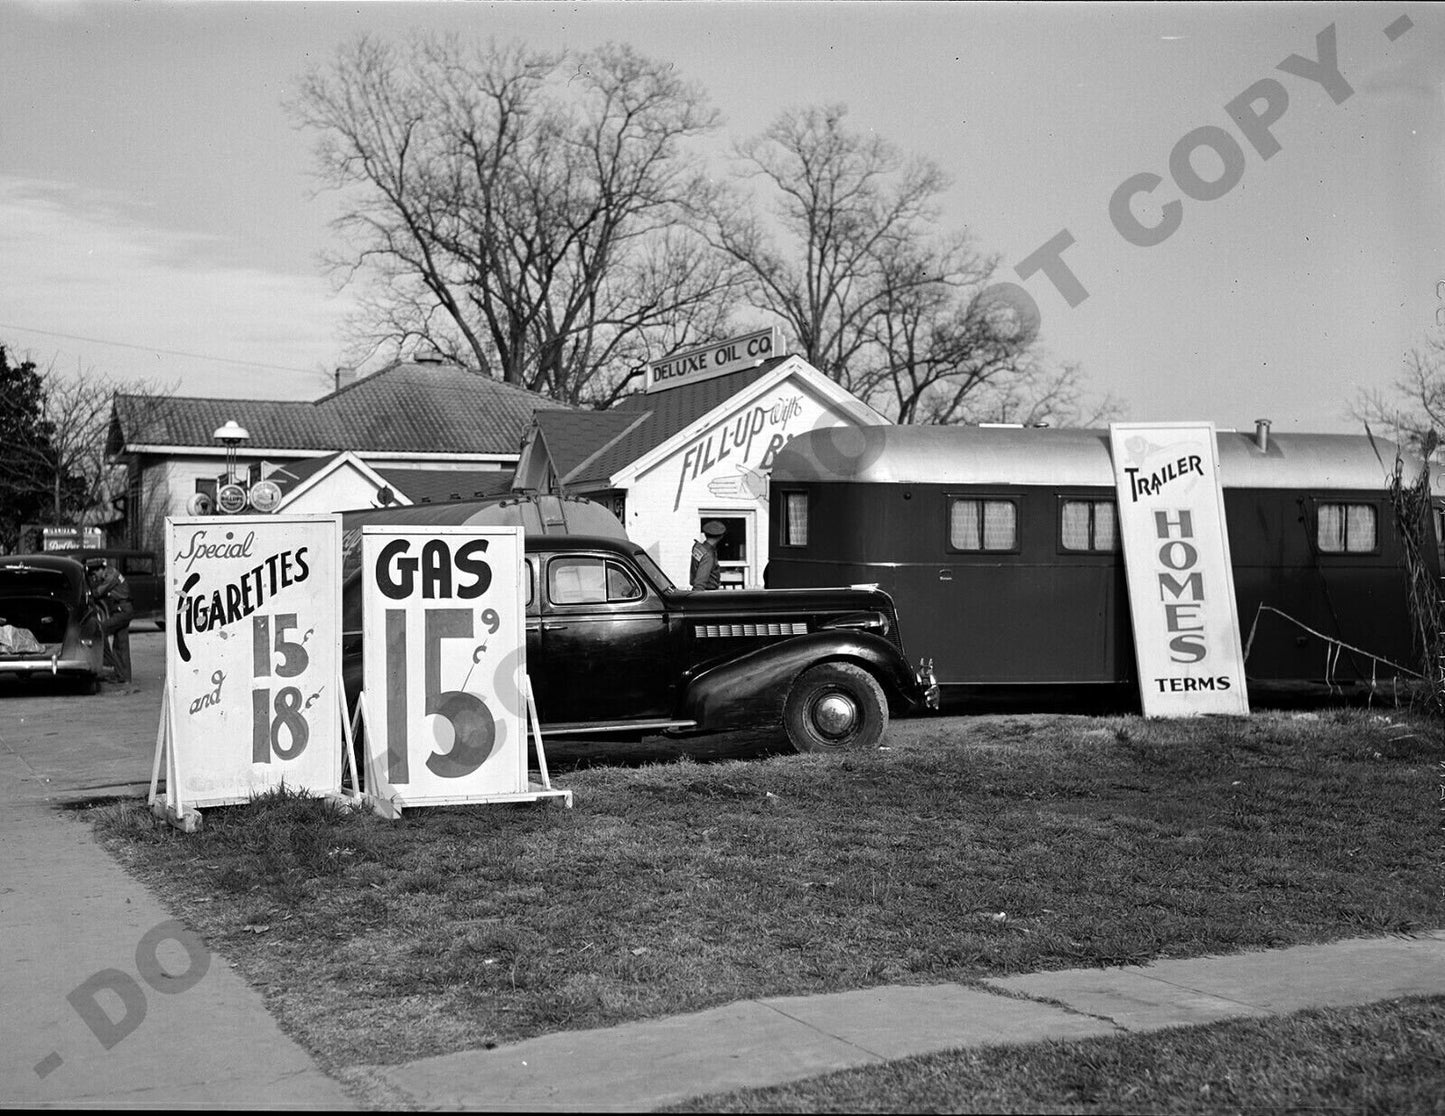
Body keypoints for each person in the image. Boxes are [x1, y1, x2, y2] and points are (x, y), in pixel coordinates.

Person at [87, 558, 134, 684]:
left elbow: (97, 593)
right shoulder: (109, 573)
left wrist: (89, 586)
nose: (95, 577)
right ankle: (123, 677)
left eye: (94, 574)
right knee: (121, 644)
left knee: (100, 630)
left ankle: (108, 663)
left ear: (100, 570)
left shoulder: (110, 576)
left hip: (122, 611)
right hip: (122, 610)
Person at [690, 520, 726, 591]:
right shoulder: (708, 555)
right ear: (721, 536)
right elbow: (699, 584)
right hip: (706, 593)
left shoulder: (701, 549)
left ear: (705, 534)